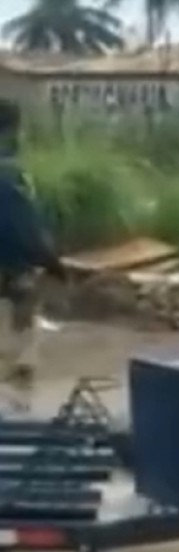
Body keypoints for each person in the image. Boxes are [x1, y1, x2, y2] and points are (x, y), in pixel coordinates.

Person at [0, 100, 67, 415]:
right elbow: (21, 224)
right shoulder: (10, 174)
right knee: (19, 340)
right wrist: (51, 261)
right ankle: (14, 409)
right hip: (13, 270)